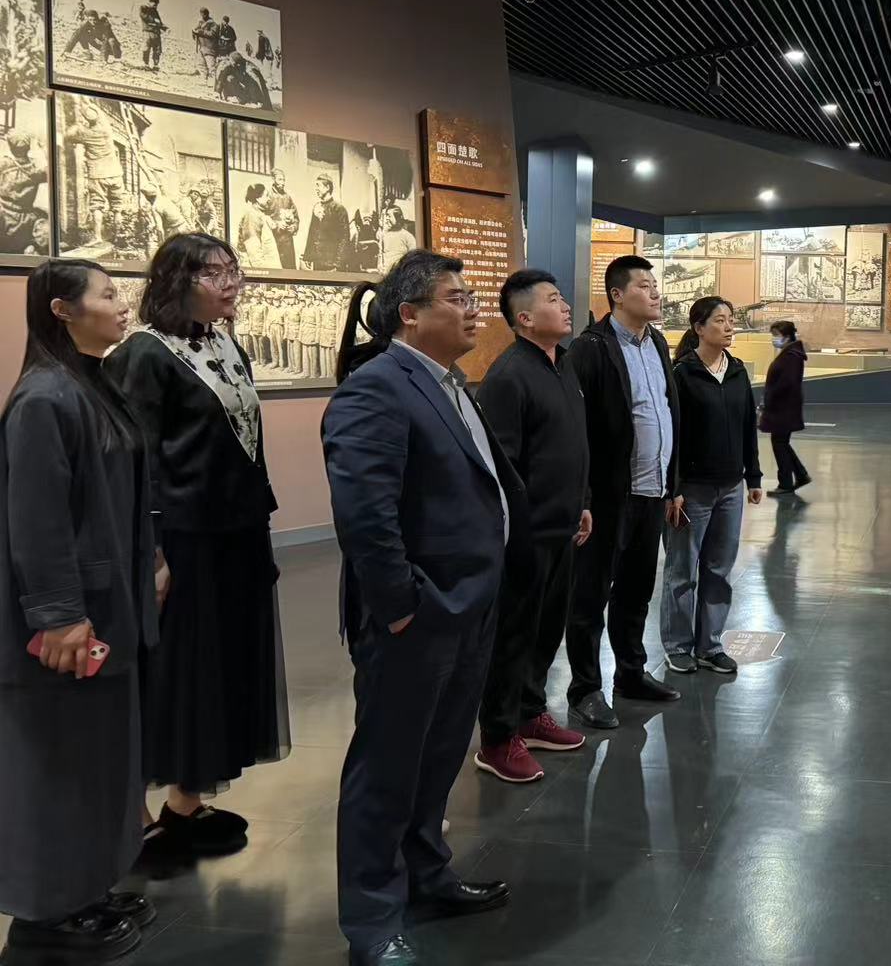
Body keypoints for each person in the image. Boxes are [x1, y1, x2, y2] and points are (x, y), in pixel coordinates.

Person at [322, 250, 522, 965]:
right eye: (457, 298)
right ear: (409, 314)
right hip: (418, 616)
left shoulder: (450, 383)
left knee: (436, 757)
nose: (474, 309)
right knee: (386, 768)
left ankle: (425, 875)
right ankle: (373, 922)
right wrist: (402, 606)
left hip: (468, 606)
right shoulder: (377, 388)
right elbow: (365, 514)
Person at [104, 235, 286, 862]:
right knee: (173, 671)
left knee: (223, 666)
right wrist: (151, 552)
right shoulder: (145, 353)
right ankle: (134, 820)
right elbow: (135, 460)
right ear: (177, 280)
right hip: (181, 537)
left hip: (236, 531)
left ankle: (186, 802)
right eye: (215, 272)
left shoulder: (225, 345)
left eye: (235, 270)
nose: (232, 282)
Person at [0, 260, 160, 962]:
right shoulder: (43, 398)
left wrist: (152, 559)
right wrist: (59, 614)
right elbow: (36, 521)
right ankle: (43, 915)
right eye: (107, 295)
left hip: (109, 608)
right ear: (62, 310)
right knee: (55, 765)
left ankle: (85, 887)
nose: (122, 305)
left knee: (98, 759)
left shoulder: (90, 385)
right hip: (70, 623)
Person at [473, 270, 591, 784]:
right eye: (552, 299)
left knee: (546, 631)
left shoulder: (563, 364)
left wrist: (582, 501)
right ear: (524, 317)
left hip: (564, 526)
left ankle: (530, 714)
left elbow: (571, 444)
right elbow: (502, 468)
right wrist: (517, 532)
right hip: (526, 536)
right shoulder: (508, 376)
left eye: (562, 298)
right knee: (513, 637)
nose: (565, 306)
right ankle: (498, 739)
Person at [564, 255, 684, 729]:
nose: (655, 292)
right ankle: (585, 689)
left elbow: (669, 413)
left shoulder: (658, 343)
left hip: (652, 492)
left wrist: (673, 485)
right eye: (644, 286)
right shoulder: (590, 348)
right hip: (610, 497)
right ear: (617, 295)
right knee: (590, 595)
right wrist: (585, 497)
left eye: (655, 285)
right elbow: (577, 428)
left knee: (636, 591)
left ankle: (630, 673)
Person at [663, 296, 762, 676]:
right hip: (693, 489)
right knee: (682, 571)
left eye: (730, 319)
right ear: (699, 328)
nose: (729, 326)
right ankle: (678, 646)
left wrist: (753, 476)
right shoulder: (682, 375)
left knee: (719, 569)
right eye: (720, 320)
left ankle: (710, 645)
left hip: (731, 487)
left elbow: (747, 427)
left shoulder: (737, 371)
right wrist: (674, 488)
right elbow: (673, 436)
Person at [60, 103, 126, 246]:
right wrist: (90, 108)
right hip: (116, 174)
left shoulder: (85, 133)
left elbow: (68, 135)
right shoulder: (107, 130)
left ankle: (97, 237)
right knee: (117, 207)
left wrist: (79, 123)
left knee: (97, 206)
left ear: (86, 118)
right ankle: (118, 236)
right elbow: (99, 113)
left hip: (98, 174)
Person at [760, 320, 810, 493]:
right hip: (784, 407)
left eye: (776, 335)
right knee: (782, 443)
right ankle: (801, 475)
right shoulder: (790, 353)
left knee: (780, 444)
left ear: (787, 336)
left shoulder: (791, 356)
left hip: (783, 408)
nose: (773, 339)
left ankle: (786, 482)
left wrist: (770, 396)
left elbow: (787, 382)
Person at [0, 130, 50, 254]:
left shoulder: (4, 164)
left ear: (10, 147)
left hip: (4, 218)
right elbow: (52, 170)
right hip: (26, 220)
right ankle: (30, 247)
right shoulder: (35, 169)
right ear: (28, 147)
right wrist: (44, 148)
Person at [303, 174, 352, 271]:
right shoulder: (317, 207)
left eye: (318, 185)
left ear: (327, 187)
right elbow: (312, 233)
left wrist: (338, 264)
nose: (316, 189)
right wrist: (308, 256)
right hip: (318, 262)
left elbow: (344, 238)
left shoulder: (339, 209)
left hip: (332, 263)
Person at [236, 183, 281, 268]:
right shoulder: (251, 215)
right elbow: (253, 248)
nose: (269, 199)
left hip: (269, 267)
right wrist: (262, 271)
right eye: (266, 196)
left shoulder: (260, 214)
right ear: (258, 198)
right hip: (261, 268)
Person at [261, 170, 299, 270]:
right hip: (273, 240)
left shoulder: (288, 197)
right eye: (280, 179)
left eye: (284, 180)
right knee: (274, 270)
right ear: (273, 179)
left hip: (287, 241)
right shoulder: (267, 196)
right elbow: (263, 217)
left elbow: (296, 217)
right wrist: (277, 224)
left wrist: (294, 227)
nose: (282, 183)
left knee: (289, 270)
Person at [380, 203, 417, 268]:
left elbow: (413, 259)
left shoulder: (408, 236)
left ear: (397, 218)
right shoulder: (384, 235)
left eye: (389, 216)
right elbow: (381, 255)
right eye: (386, 216)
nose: (387, 218)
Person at [139, 0, 166, 71]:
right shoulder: (144, 8)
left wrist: (164, 27)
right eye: (154, 3)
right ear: (150, 2)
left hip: (156, 33)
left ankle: (155, 65)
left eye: (156, 4)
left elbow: (159, 22)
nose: (155, 5)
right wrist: (154, 20)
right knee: (146, 49)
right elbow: (144, 16)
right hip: (147, 32)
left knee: (157, 50)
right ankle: (146, 64)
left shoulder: (155, 12)